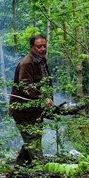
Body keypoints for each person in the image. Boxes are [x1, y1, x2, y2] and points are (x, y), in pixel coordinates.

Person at [8, 34, 54, 166]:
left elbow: (46, 84)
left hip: (36, 111)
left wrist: (48, 100)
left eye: (44, 46)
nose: (43, 49)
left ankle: (19, 169)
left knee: (33, 140)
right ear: (32, 47)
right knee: (33, 140)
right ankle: (44, 172)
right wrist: (42, 98)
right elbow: (25, 86)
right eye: (39, 46)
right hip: (24, 111)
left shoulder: (42, 61)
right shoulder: (26, 63)